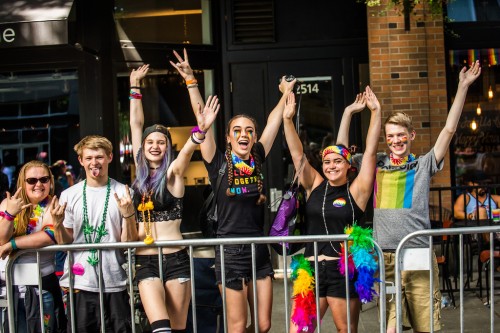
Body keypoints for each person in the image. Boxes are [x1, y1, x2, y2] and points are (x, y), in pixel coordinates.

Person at [336, 60, 481, 333]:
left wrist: (462, 87)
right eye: (390, 136)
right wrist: (348, 113)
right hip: (385, 256)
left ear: (411, 135)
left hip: (418, 253)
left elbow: (448, 130)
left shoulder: (423, 164)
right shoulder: (376, 163)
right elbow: (339, 153)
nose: (396, 141)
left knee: (423, 326)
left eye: (401, 135)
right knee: (390, 327)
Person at [171, 48, 296, 333]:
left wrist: (284, 92)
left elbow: (274, 120)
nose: (244, 134)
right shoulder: (218, 162)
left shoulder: (258, 157)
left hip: (259, 251)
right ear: (228, 137)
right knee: (237, 327)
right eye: (237, 130)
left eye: (249, 130)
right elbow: (202, 118)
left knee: (263, 326)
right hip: (228, 251)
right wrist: (191, 81)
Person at [129, 64, 219, 333]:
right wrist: (135, 86)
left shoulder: (173, 174)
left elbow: (188, 151)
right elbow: (135, 125)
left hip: (176, 258)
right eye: (150, 142)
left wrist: (199, 131)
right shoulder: (139, 172)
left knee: (178, 329)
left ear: (167, 147)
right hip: (146, 260)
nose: (155, 146)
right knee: (160, 328)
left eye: (161, 142)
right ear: (143, 148)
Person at [284, 88, 381, 333]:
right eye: (327, 161)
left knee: (345, 330)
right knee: (301, 331)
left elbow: (370, 152)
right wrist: (287, 119)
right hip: (311, 270)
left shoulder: (357, 191)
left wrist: (376, 112)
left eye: (338, 161)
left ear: (349, 166)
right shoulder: (315, 184)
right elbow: (297, 155)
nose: (331, 165)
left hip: (342, 270)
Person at [54, 135, 139, 333]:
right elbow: (64, 241)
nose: (94, 163)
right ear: (81, 161)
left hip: (114, 280)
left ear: (109, 157)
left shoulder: (124, 192)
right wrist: (58, 224)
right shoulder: (69, 195)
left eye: (99, 157)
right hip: (81, 282)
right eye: (89, 157)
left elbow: (129, 241)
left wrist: (128, 215)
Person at [0, 160, 67, 333]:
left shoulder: (53, 205)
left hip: (41, 287)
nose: (38, 184)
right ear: (23, 182)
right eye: (32, 180)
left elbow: (48, 236)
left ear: (50, 182)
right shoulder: (8, 204)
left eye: (44, 179)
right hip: (10, 287)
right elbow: (0, 240)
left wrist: (12, 244)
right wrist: (9, 215)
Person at [453, 170, 500, 246]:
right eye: (480, 184)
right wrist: (471, 216)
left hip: (495, 228)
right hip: (477, 231)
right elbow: (456, 213)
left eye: (485, 184)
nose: (483, 187)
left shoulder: (494, 198)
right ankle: (489, 244)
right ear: (471, 184)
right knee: (481, 211)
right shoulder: (466, 197)